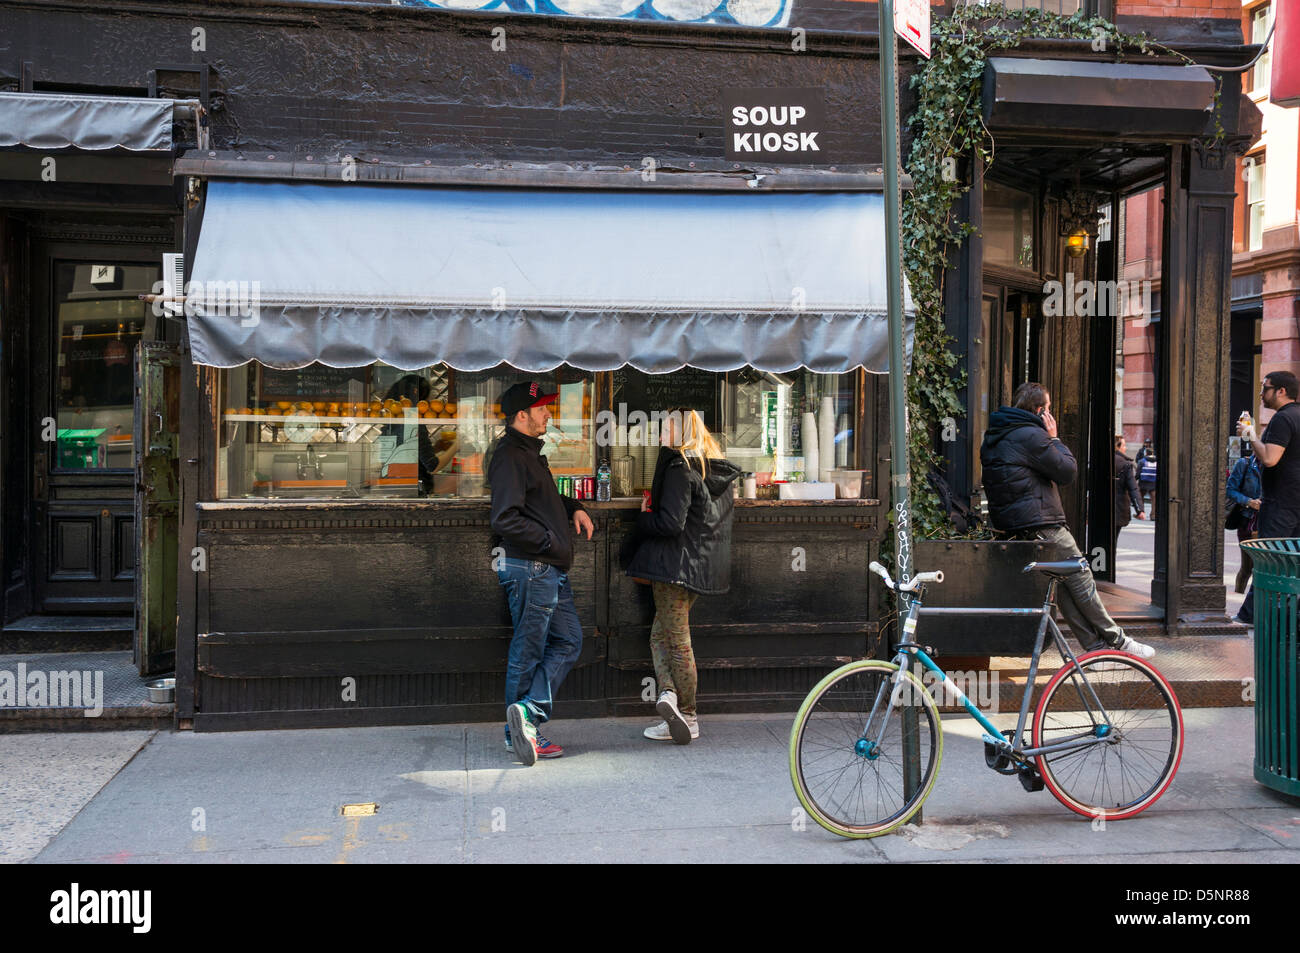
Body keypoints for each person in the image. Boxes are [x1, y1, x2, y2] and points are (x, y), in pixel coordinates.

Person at [980, 382, 1155, 658]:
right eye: (1048, 408)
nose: (1051, 413)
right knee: (1081, 575)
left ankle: (1095, 651)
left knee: (1062, 586)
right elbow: (1068, 471)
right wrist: (1054, 438)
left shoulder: (997, 434)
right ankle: (1118, 640)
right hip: (1042, 525)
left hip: (1015, 527)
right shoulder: (1031, 436)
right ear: (1040, 411)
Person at [488, 380, 595, 766]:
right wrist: (550, 540)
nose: (549, 413)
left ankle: (526, 715)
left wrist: (571, 506)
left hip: (545, 568)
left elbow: (540, 498)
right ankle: (516, 732)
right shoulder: (510, 456)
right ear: (522, 415)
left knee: (568, 641)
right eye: (542, 409)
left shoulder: (529, 453)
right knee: (528, 650)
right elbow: (506, 517)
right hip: (532, 567)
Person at [625, 408, 741, 744]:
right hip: (700, 569)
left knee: (676, 642)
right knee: (661, 637)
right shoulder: (713, 468)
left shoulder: (680, 468)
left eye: (665, 428)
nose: (660, 435)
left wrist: (643, 517)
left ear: (678, 433)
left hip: (674, 567)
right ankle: (670, 700)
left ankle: (688, 715)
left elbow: (670, 523)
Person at [1235, 371, 1300, 625]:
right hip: (1294, 501)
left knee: (1269, 560)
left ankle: (1250, 616)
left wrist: (1251, 435)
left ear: (1281, 391)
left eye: (1266, 388)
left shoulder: (1283, 419)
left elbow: (1271, 458)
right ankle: (1284, 617)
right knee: (1290, 562)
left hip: (1281, 503)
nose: (1261, 394)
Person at [1225, 439, 1262, 594]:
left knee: (1262, 569)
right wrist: (1249, 502)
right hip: (1248, 520)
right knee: (1247, 567)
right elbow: (1230, 490)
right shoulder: (1244, 464)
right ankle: (1240, 597)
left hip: (1269, 521)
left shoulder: (1278, 467)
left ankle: (1256, 604)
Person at [1113, 435, 1146, 563]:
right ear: (1118, 446)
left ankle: (1100, 568)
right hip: (1119, 509)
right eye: (1124, 445)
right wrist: (1140, 510)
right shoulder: (1125, 464)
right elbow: (1133, 488)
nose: (1125, 448)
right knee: (1113, 540)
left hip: (1100, 508)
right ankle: (1109, 566)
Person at [1136, 443, 1158, 519]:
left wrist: (1135, 479)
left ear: (1146, 453)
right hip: (1153, 483)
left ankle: (1142, 514)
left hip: (1143, 483)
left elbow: (1138, 473)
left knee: (1140, 498)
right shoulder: (1157, 461)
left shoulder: (1142, 461)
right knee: (1154, 500)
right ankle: (1153, 515)